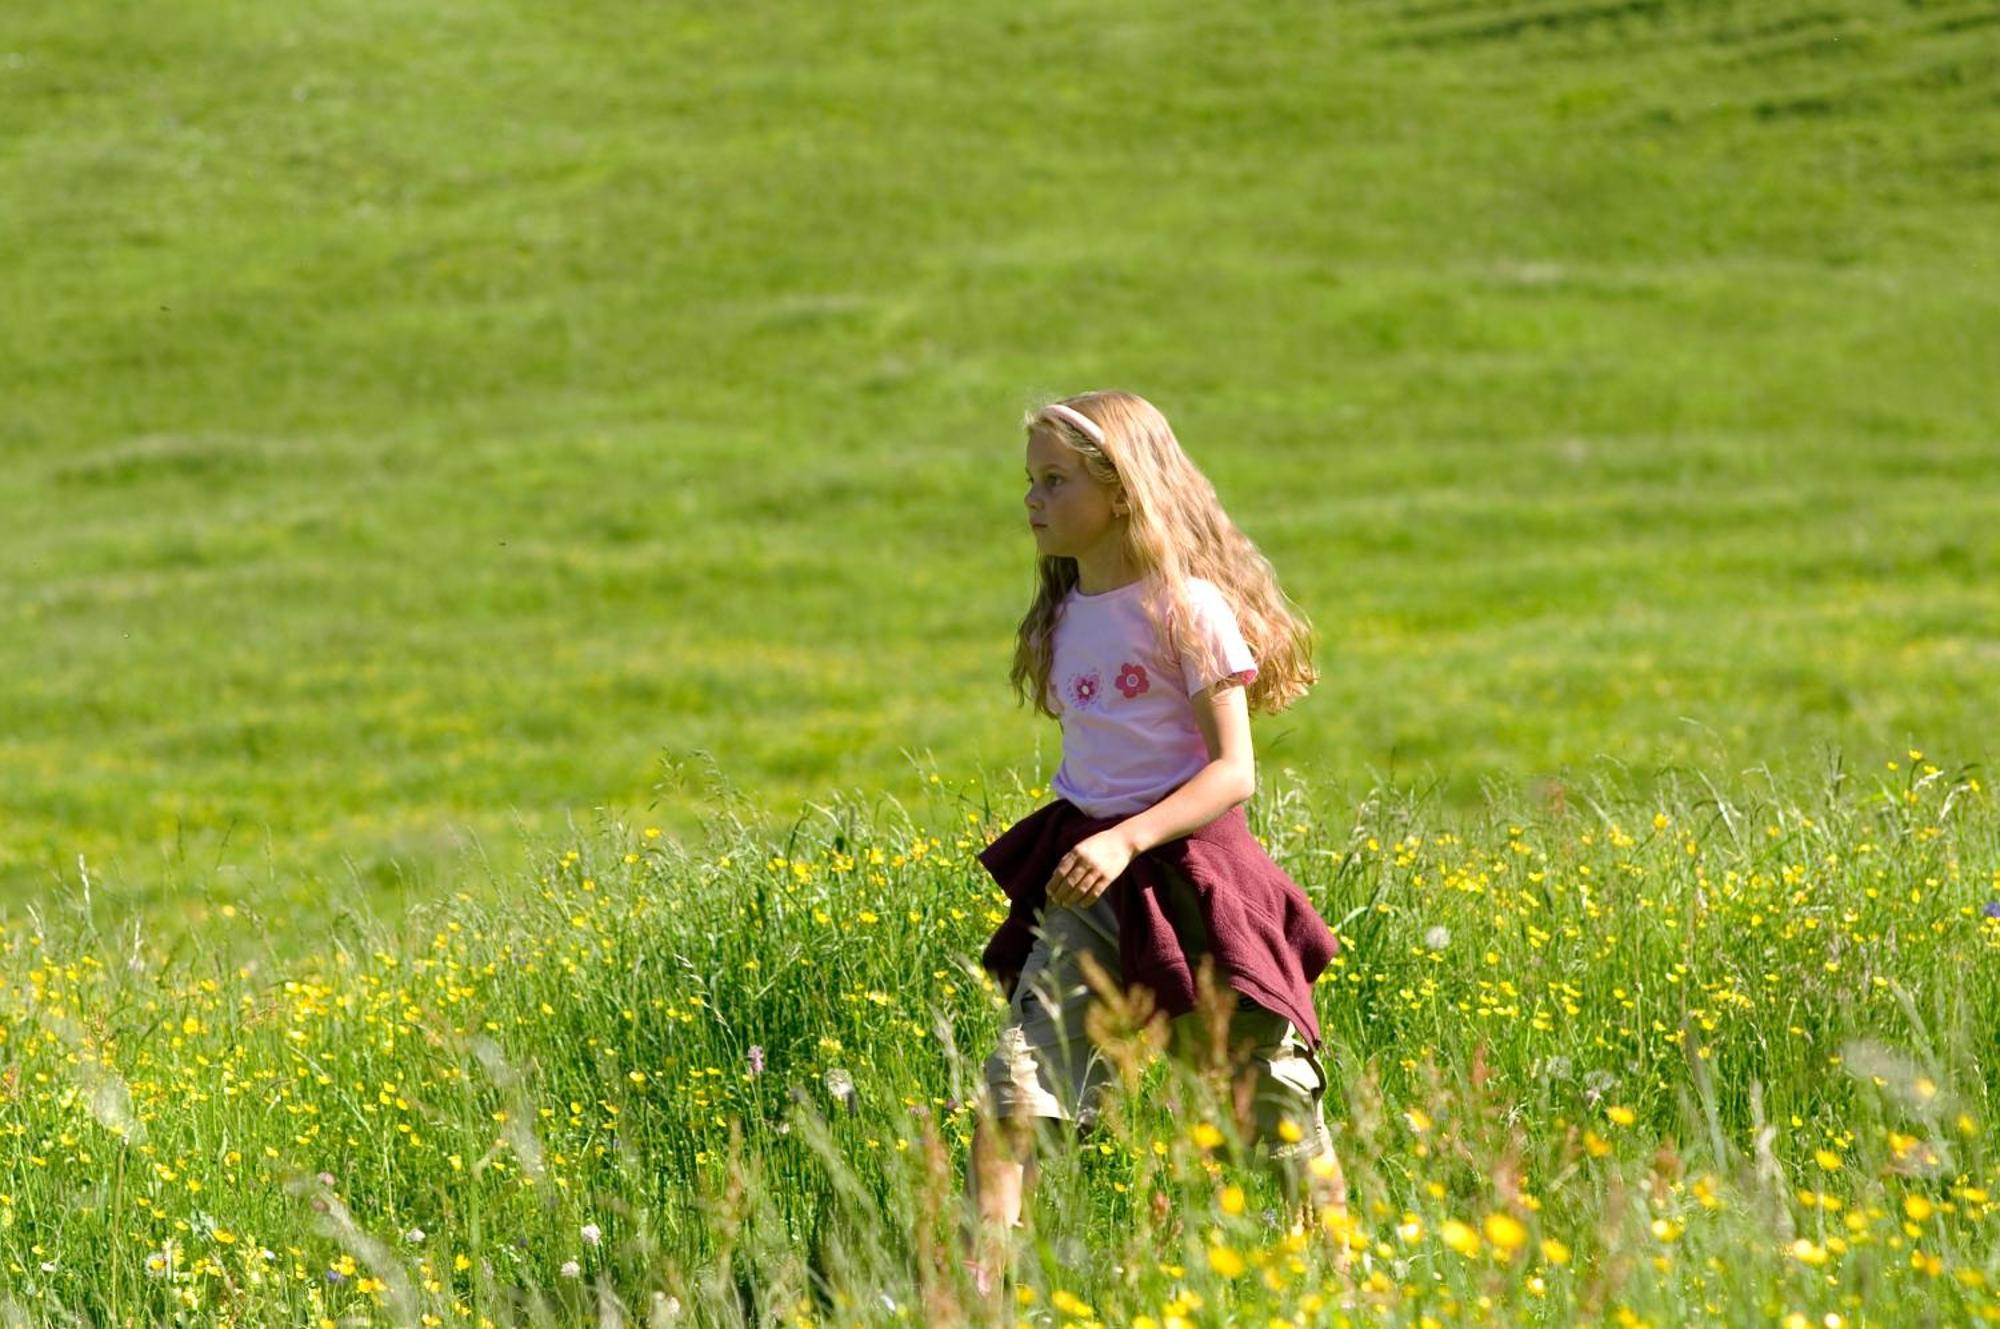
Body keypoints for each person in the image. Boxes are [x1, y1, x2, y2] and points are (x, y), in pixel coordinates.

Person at [960, 390, 1349, 1296]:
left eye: (1055, 480)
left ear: (1122, 489)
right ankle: (979, 1295)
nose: (1032, 499)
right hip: (1087, 882)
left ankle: (1344, 1289)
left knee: (1273, 1100)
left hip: (1194, 876)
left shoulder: (1190, 609)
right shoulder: (1064, 620)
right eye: (1031, 480)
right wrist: (1095, 836)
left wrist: (1130, 837)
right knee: (1014, 1090)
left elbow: (1233, 772)